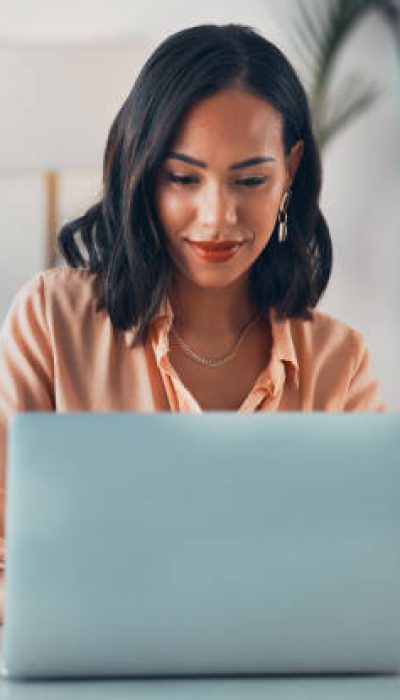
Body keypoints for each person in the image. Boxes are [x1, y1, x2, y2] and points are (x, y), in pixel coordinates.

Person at [0, 23, 385, 622]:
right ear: (143, 170)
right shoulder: (51, 321)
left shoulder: (338, 362)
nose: (217, 217)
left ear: (290, 171)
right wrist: (80, 613)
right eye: (183, 178)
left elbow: (372, 570)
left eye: (251, 180)